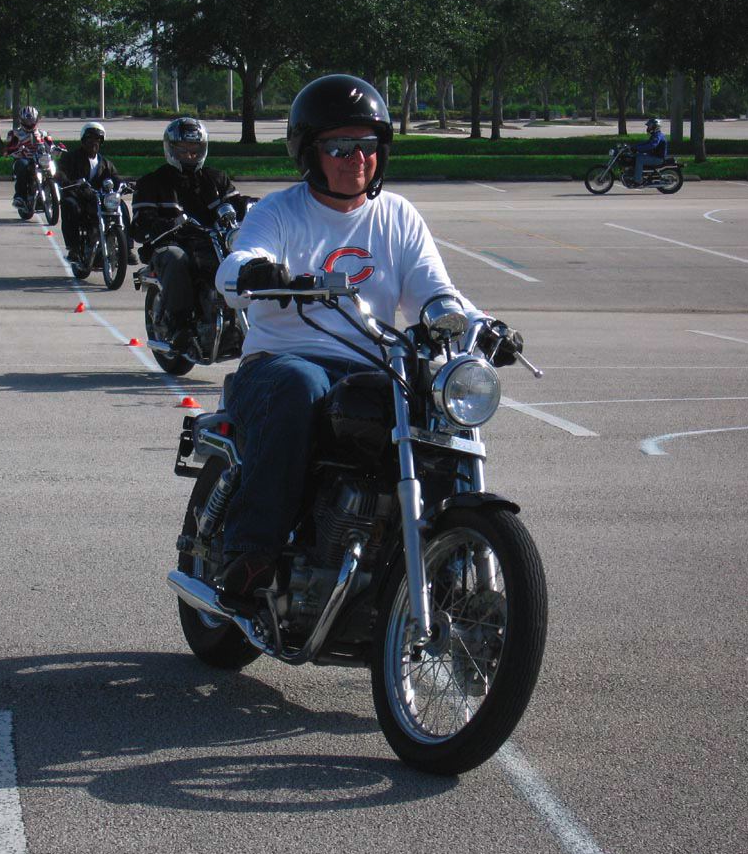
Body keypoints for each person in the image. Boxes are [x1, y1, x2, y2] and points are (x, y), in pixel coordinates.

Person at [211, 74, 521, 605]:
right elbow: (237, 263)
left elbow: (434, 292)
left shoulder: (397, 216)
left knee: (433, 400)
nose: (356, 158)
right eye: (339, 146)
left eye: (367, 144)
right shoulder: (278, 212)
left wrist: (478, 324)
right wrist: (256, 272)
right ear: (309, 152)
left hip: (372, 368)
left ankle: (433, 556)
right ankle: (252, 552)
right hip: (280, 362)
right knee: (301, 385)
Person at [131, 117, 251, 333]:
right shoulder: (152, 182)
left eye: (195, 149)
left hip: (213, 241)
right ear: (170, 149)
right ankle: (179, 325)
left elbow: (236, 204)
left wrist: (257, 206)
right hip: (172, 243)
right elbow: (141, 225)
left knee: (247, 260)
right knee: (177, 259)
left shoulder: (216, 179)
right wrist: (166, 224)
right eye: (183, 149)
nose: (190, 155)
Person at [56, 122, 122, 265]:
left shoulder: (105, 163)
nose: (94, 143)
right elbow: (60, 172)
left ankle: (126, 248)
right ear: (83, 140)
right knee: (69, 205)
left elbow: (115, 177)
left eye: (97, 140)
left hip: (98, 197)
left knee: (119, 204)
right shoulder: (71, 158)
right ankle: (73, 248)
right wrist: (68, 182)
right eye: (90, 139)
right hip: (77, 196)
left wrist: (123, 185)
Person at [2, 105, 54, 211]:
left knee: (56, 169)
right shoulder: (15, 134)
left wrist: (57, 148)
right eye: (27, 120)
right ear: (21, 120)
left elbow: (51, 145)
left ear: (36, 119)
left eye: (32, 120)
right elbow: (8, 148)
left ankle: (58, 193)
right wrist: (15, 150)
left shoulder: (43, 133)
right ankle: (20, 197)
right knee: (22, 165)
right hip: (23, 159)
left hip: (40, 159)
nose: (30, 123)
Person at [633, 117, 667, 185]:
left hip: (657, 158)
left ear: (655, 126)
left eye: (650, 126)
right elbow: (646, 143)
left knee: (639, 159)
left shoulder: (658, 136)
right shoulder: (655, 135)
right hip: (653, 156)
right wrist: (634, 146)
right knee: (635, 156)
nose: (648, 128)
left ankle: (638, 181)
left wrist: (638, 149)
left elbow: (652, 145)